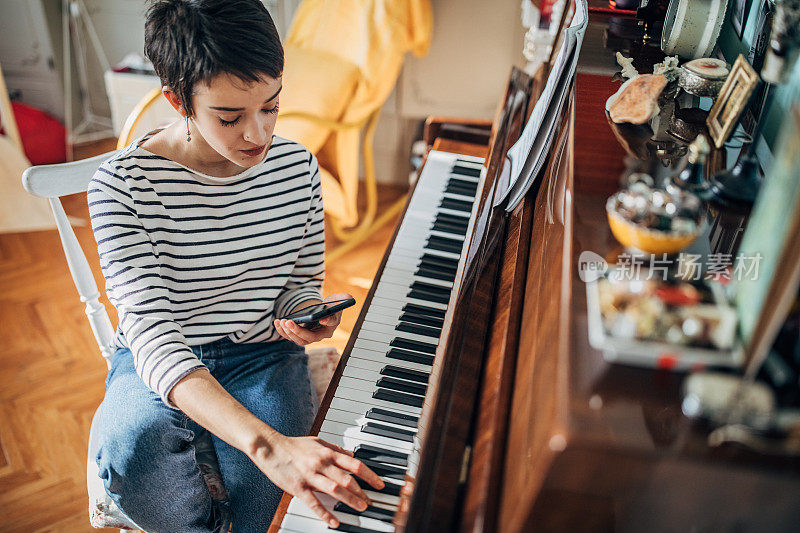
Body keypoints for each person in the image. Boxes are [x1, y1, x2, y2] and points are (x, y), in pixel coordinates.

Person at [88, 1, 383, 532]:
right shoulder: (122, 187)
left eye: (271, 106)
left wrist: (304, 313)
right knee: (130, 451)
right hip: (156, 359)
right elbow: (153, 336)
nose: (258, 134)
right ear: (178, 100)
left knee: (269, 501)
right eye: (230, 117)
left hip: (260, 355)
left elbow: (296, 283)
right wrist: (266, 445)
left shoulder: (296, 169)